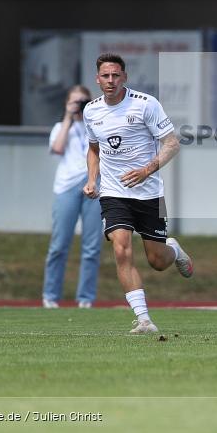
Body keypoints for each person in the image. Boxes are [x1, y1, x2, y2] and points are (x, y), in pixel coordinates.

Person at [83, 53, 193, 334]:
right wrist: (92, 180)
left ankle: (174, 249)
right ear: (97, 79)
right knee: (121, 247)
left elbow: (171, 143)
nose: (111, 81)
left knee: (157, 261)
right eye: (105, 76)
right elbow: (94, 148)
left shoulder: (145, 105)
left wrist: (147, 169)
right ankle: (144, 319)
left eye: (116, 75)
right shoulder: (91, 111)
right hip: (113, 192)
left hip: (148, 193)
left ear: (125, 77)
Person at [42, 85, 103, 309]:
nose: (80, 106)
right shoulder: (60, 126)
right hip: (66, 187)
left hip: (94, 186)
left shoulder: (97, 125)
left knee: (92, 246)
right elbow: (57, 148)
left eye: (83, 101)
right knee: (59, 244)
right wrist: (69, 116)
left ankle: (85, 298)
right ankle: (50, 295)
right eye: (75, 101)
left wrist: (89, 115)